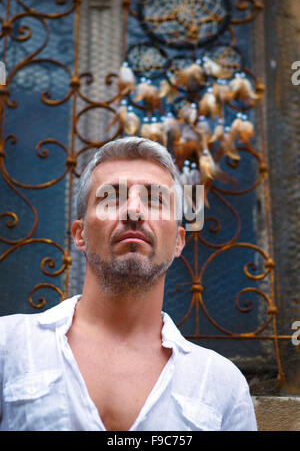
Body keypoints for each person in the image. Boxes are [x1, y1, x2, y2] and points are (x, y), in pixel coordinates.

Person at [0, 136, 257, 431]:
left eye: (155, 200)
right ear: (79, 234)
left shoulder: (222, 386)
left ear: (178, 241)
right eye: (112, 198)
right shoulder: (8, 347)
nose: (133, 212)